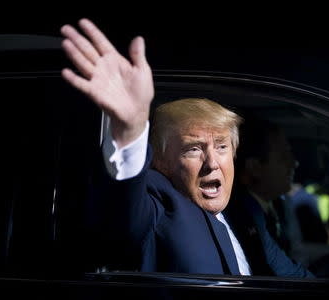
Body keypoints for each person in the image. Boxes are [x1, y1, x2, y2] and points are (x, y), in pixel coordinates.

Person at [61, 19, 313, 277]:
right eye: (194, 148)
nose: (212, 163)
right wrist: (130, 129)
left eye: (222, 146)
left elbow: (294, 277)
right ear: (160, 161)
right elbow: (119, 216)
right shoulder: (157, 202)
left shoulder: (245, 213)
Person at [235, 116, 329, 277]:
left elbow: (299, 254)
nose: (293, 163)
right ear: (255, 167)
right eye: (283, 157)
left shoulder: (279, 203)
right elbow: (289, 275)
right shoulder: (246, 217)